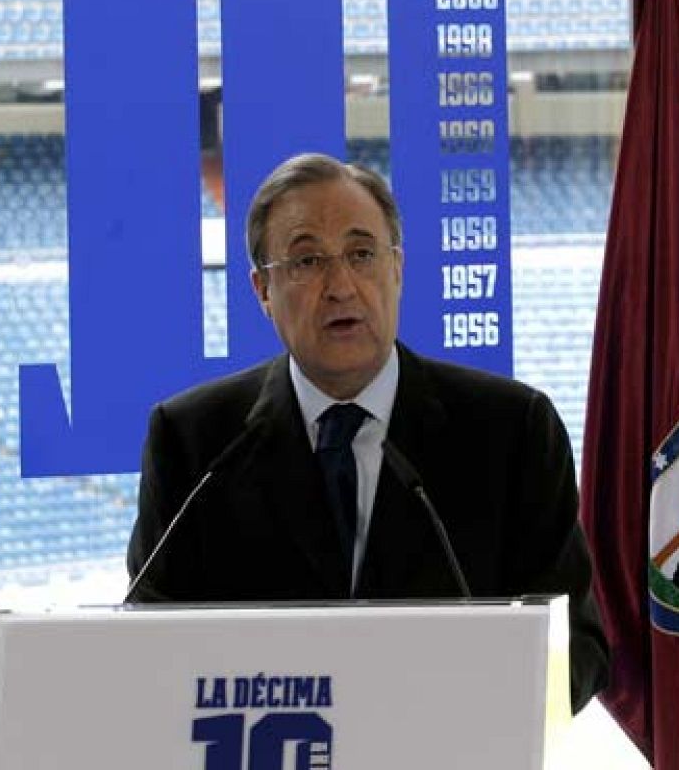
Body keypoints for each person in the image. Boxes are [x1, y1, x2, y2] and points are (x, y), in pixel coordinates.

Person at [126, 152, 608, 714]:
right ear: (263, 290)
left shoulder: (512, 430)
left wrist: (476, 709)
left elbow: (578, 645)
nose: (341, 286)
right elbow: (145, 646)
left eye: (361, 254)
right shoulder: (194, 441)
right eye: (307, 261)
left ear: (396, 268)